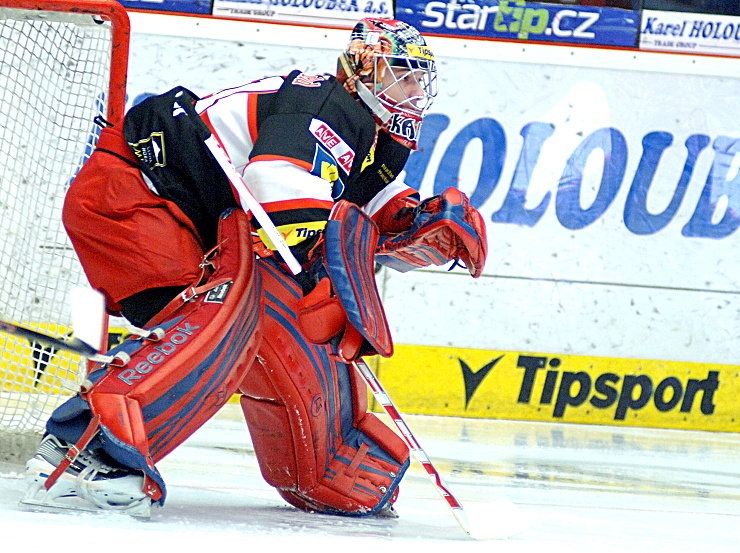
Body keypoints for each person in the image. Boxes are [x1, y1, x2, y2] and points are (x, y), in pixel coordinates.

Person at [19, 18, 487, 518]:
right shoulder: (326, 101)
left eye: (418, 79)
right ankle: (82, 452)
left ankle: (326, 465)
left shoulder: (376, 133)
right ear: (363, 69)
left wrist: (415, 219)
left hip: (193, 221)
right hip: (135, 195)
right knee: (224, 316)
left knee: (287, 325)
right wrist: (323, 268)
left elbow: (364, 201)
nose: (413, 90)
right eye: (401, 74)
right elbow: (275, 178)